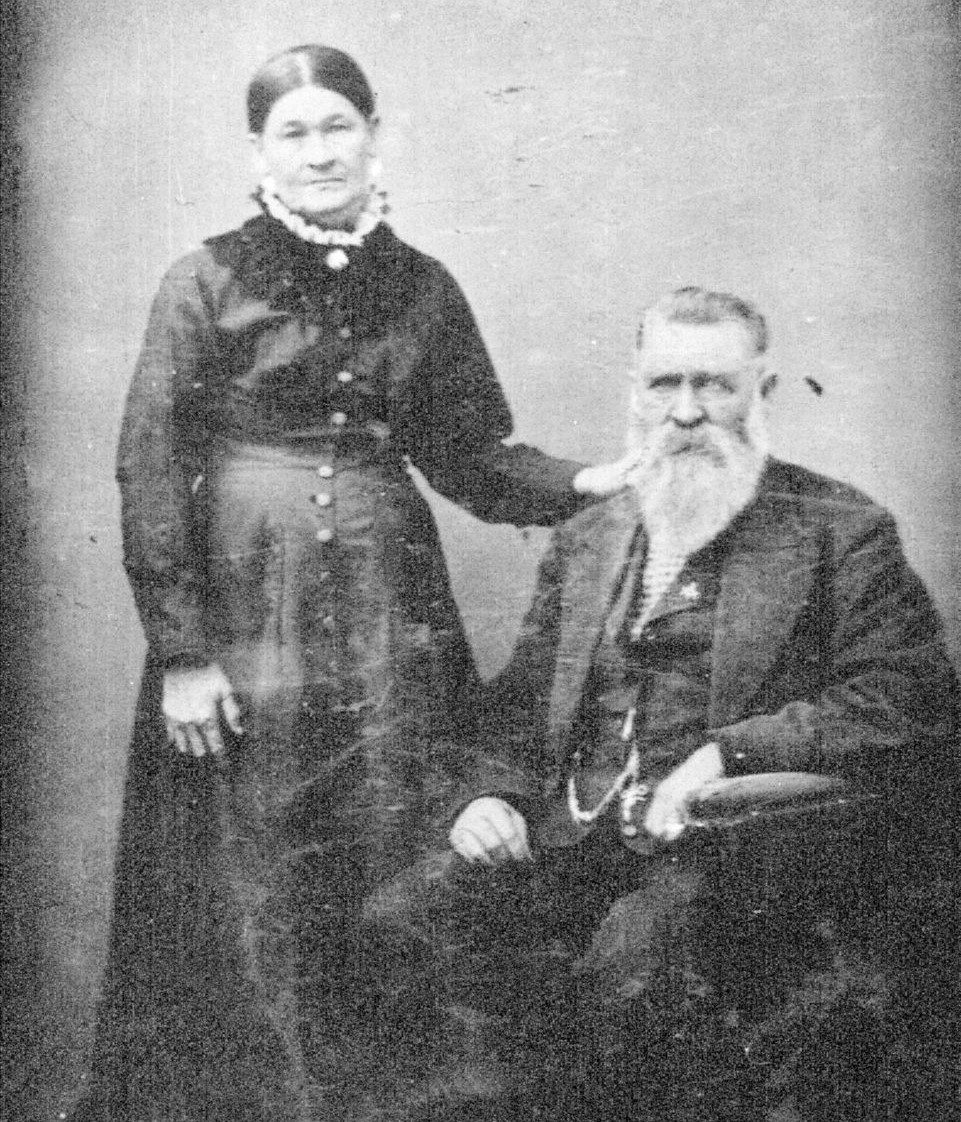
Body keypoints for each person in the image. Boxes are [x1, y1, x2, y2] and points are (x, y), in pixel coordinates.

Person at [73, 44, 633, 1122]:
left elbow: (471, 456)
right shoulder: (201, 282)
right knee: (247, 872)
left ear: (375, 136)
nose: (320, 150)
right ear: (260, 152)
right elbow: (150, 466)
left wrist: (584, 482)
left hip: (389, 618)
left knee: (395, 861)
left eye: (339, 126)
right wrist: (184, 655)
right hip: (248, 616)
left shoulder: (422, 286)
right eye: (295, 132)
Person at [364, 287, 961, 1120]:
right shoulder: (589, 535)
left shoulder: (839, 528)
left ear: (763, 391)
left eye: (714, 385)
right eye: (664, 384)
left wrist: (729, 752)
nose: (686, 412)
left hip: (736, 851)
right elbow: (519, 707)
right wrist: (484, 796)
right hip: (571, 840)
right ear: (635, 391)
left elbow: (908, 698)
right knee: (401, 921)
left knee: (635, 960)